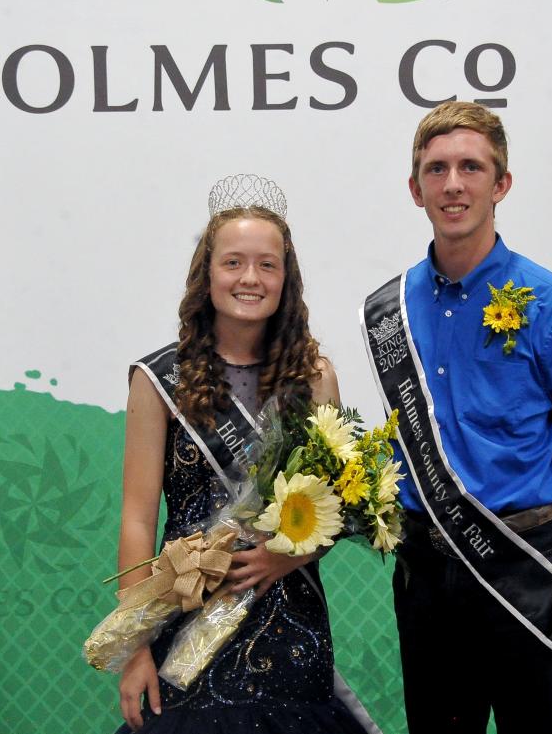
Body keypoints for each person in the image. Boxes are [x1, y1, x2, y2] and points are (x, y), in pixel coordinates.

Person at [360, 102, 552, 733]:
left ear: (501, 184)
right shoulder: (389, 308)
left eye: (471, 167)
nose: (453, 184)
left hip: (527, 569)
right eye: (436, 168)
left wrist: (547, 564)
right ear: (414, 188)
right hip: (426, 581)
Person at [114, 175, 377, 733]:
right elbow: (137, 520)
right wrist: (134, 648)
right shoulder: (158, 381)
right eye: (233, 262)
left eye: (267, 264)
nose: (250, 278)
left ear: (287, 278)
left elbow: (344, 504)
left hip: (290, 630)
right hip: (185, 626)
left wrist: (290, 557)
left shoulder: (316, 378)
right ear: (206, 275)